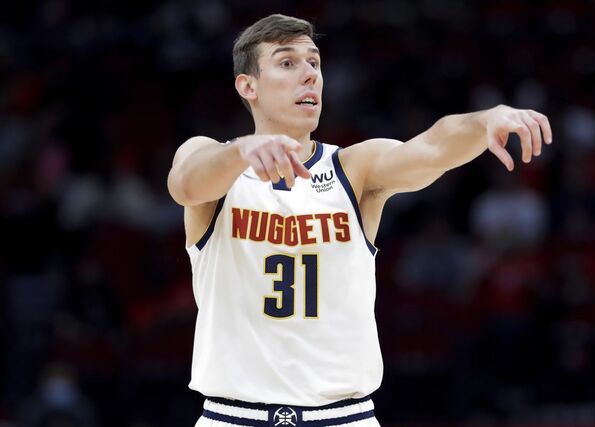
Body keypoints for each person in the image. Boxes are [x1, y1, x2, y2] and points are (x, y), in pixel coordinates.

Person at [167, 14, 552, 427]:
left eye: (314, 62)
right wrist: (241, 150)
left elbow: (432, 147)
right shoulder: (209, 157)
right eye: (287, 62)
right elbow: (185, 184)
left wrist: (483, 121)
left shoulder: (354, 168)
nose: (309, 75)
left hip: (344, 417)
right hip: (232, 417)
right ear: (248, 86)